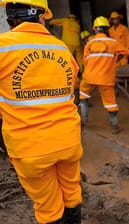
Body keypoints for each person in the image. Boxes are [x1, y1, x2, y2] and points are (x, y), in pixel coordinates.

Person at [0, 0, 83, 223]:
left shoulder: (3, 45)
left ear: (11, 19)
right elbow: (72, 86)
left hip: (31, 148)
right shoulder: (61, 47)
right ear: (42, 16)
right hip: (69, 141)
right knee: (72, 193)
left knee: (48, 207)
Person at [79, 16, 129, 134]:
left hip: (89, 77)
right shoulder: (113, 43)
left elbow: (85, 60)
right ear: (107, 29)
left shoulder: (89, 43)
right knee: (110, 103)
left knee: (83, 97)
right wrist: (114, 60)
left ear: (95, 29)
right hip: (105, 78)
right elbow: (126, 52)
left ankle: (84, 120)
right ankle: (114, 127)